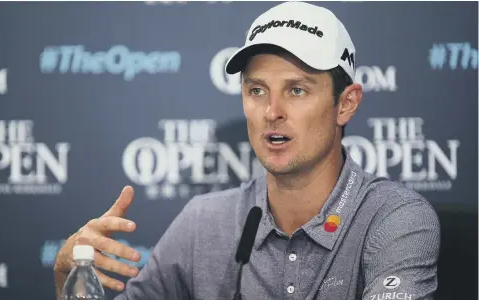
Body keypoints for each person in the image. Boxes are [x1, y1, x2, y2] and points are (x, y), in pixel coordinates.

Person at [54, 2, 440, 299]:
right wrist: (67, 277)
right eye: (257, 90)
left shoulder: (397, 220)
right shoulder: (204, 222)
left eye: (297, 90)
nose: (272, 112)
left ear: (346, 103)